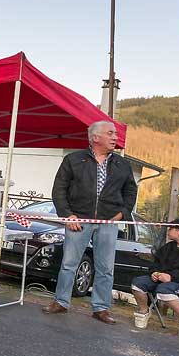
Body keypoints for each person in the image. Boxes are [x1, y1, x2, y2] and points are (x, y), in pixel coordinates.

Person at [42, 120, 138, 324]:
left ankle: (101, 308)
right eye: (110, 133)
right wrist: (67, 214)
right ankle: (61, 302)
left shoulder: (122, 164)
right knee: (69, 264)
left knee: (106, 267)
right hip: (79, 220)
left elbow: (131, 191)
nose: (115, 137)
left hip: (109, 223)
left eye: (115, 134)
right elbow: (59, 189)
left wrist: (122, 213)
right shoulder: (73, 160)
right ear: (95, 137)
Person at [131, 218, 179, 340]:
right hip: (161, 281)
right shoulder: (167, 247)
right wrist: (154, 272)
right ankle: (144, 312)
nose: (167, 231)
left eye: (170, 228)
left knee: (164, 290)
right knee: (138, 283)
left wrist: (171, 277)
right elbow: (155, 264)